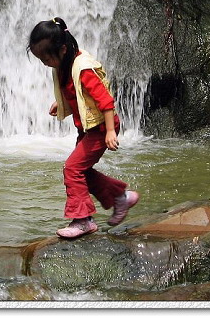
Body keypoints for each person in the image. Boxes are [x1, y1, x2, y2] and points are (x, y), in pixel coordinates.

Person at [28, 17, 139, 239]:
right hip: (88, 129)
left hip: (100, 128)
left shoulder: (83, 68)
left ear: (62, 49)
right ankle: (119, 197)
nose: (44, 63)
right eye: (40, 58)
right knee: (82, 172)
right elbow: (77, 95)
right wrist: (61, 105)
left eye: (46, 58)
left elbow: (105, 101)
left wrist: (109, 131)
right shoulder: (63, 66)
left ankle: (83, 220)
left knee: (72, 169)